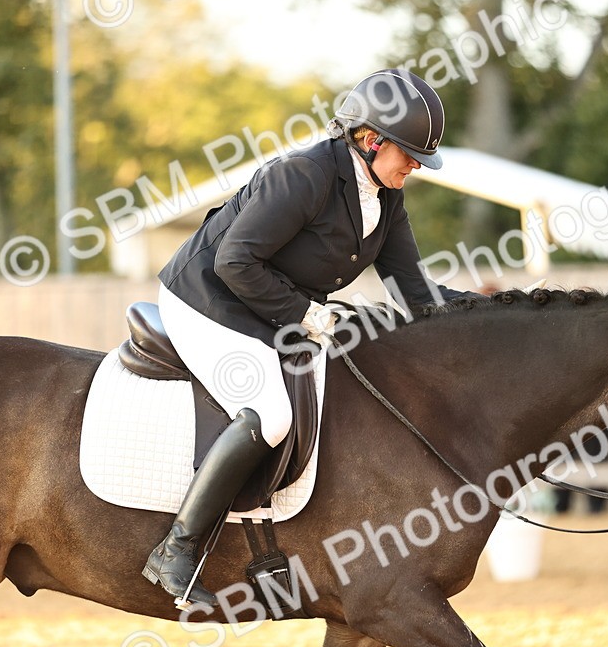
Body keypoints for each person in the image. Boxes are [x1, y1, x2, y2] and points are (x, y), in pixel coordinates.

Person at [143, 69, 471, 605]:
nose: (416, 165)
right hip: (205, 299)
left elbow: (415, 294)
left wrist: (502, 311)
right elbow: (235, 262)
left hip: (266, 306)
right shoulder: (303, 175)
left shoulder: (386, 199)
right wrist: (309, 316)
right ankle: (176, 548)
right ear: (371, 139)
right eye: (410, 154)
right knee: (272, 412)